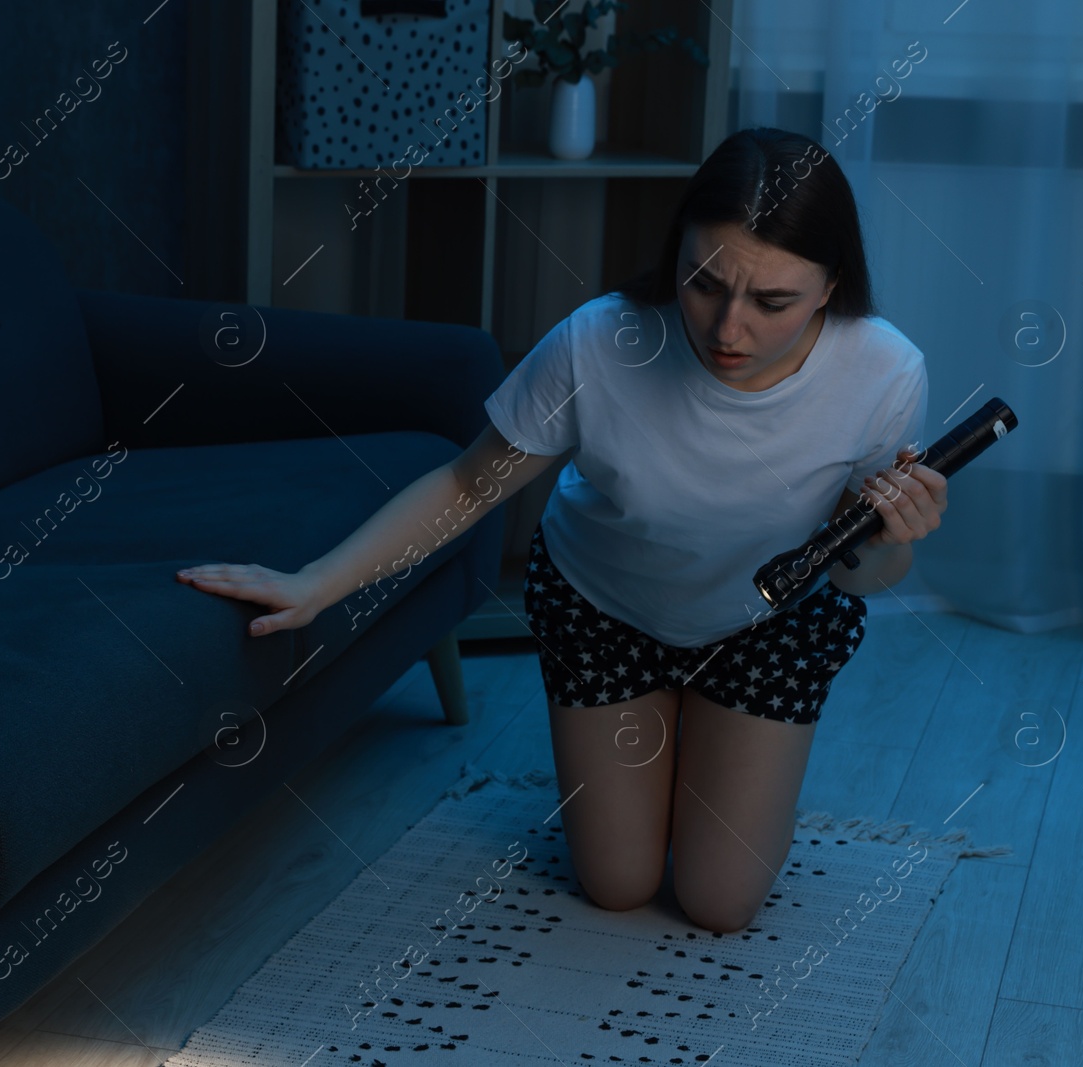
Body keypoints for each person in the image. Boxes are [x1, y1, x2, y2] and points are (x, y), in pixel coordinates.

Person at [174, 126, 946, 933]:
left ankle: (713, 746)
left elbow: (856, 577)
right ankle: (666, 752)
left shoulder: (885, 372)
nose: (726, 329)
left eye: (772, 301)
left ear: (830, 287)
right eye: (703, 281)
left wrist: (895, 540)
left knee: (721, 902)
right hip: (605, 607)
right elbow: (470, 484)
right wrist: (316, 583)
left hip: (770, 625)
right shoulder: (599, 341)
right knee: (616, 882)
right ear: (676, 250)